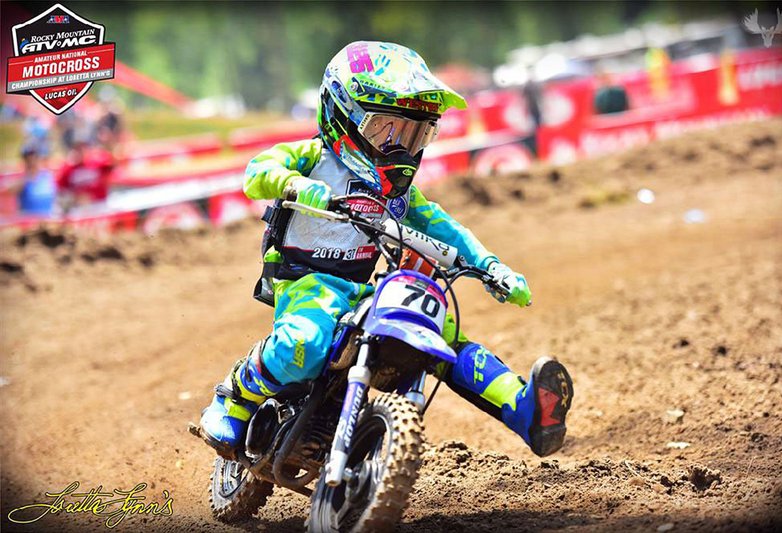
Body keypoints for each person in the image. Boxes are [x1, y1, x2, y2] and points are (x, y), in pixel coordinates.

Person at [199, 41, 573, 459]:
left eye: (417, 132)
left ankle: (523, 408)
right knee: (305, 341)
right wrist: (296, 185)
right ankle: (233, 398)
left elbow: (444, 228)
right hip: (308, 281)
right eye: (387, 129)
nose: (402, 147)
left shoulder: (399, 192)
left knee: (439, 333)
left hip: (363, 288)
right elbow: (258, 171)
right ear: (344, 113)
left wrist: (490, 266)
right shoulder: (314, 158)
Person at [56, 134, 115, 212]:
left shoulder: (97, 162)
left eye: (83, 147)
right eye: (77, 148)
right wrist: (75, 197)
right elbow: (61, 191)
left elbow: (112, 167)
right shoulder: (68, 169)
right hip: (80, 208)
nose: (80, 151)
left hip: (99, 204)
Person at [15, 144, 56, 216]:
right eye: (28, 159)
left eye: (35, 158)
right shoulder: (22, 182)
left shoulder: (48, 177)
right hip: (28, 222)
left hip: (48, 222)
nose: (32, 162)